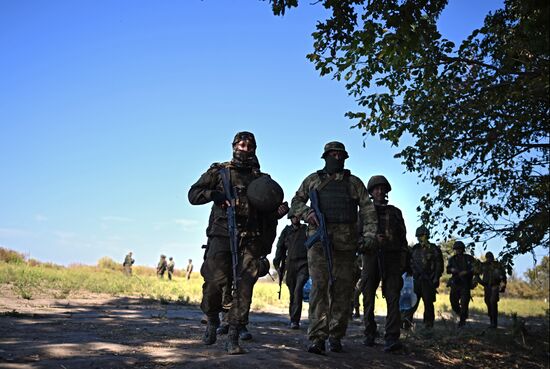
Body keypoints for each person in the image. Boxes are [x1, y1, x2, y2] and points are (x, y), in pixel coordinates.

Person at [188, 131, 288, 355]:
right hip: (222, 235)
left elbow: (268, 212)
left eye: (249, 146)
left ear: (254, 150)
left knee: (244, 288)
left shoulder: (261, 179)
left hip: (250, 238)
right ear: (234, 146)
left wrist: (277, 212)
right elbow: (193, 195)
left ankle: (233, 334)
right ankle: (213, 319)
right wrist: (215, 196)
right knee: (215, 282)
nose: (244, 149)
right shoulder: (219, 172)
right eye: (241, 145)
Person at [290, 141, 377, 355]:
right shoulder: (313, 180)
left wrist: (369, 235)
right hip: (319, 243)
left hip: (346, 244)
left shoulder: (354, 183)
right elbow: (295, 202)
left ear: (345, 158)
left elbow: (367, 209)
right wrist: (306, 213)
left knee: (343, 291)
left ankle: (336, 335)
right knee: (319, 288)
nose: (337, 158)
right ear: (326, 156)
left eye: (340, 155)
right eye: (333, 154)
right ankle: (318, 337)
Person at [361, 175, 408, 352]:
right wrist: (370, 241)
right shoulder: (365, 213)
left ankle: (392, 337)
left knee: (393, 297)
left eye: (382, 188)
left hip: (392, 259)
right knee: (367, 297)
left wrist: (404, 262)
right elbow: (356, 237)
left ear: (386, 191)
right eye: (376, 189)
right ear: (371, 192)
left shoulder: (395, 212)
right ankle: (369, 333)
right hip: (370, 257)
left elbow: (403, 239)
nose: (380, 191)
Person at [401, 225, 444, 330]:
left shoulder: (434, 249)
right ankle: (406, 323)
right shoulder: (414, 249)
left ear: (426, 235)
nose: (419, 238)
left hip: (428, 280)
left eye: (421, 235)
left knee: (428, 303)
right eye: (418, 236)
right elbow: (408, 262)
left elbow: (439, 265)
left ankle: (428, 326)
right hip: (415, 281)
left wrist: (435, 278)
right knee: (411, 303)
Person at [273, 208, 309, 329]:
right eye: (293, 217)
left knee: (298, 290)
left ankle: (295, 320)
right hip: (290, 264)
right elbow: (280, 247)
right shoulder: (286, 231)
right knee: (293, 293)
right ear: (290, 218)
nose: (296, 218)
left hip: (304, 264)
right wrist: (277, 262)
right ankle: (293, 319)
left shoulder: (306, 230)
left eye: (298, 216)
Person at [446, 241, 476, 327]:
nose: (458, 250)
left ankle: (462, 321)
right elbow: (448, 269)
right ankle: (461, 314)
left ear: (463, 249)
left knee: (464, 303)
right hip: (455, 283)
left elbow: (475, 269)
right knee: (453, 303)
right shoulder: (452, 259)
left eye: (460, 249)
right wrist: (453, 270)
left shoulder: (469, 258)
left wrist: (466, 272)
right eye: (456, 249)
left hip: (465, 284)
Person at [476, 252, 507, 328]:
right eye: (488, 257)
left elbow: (503, 277)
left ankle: (494, 323)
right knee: (488, 302)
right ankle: (491, 320)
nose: (489, 258)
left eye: (490, 257)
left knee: (493, 303)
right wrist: (479, 280)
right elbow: (476, 273)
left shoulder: (498, 265)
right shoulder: (483, 265)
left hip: (495, 286)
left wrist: (503, 286)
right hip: (486, 286)